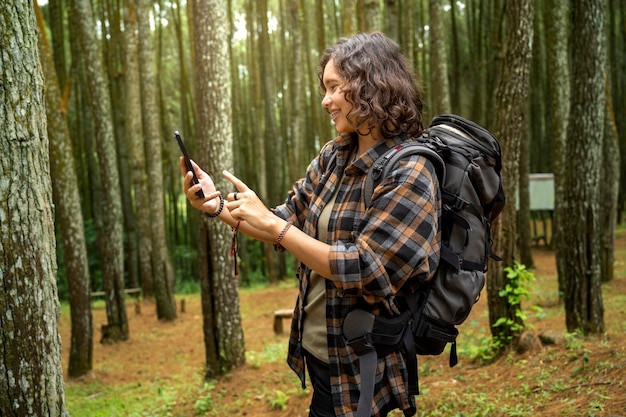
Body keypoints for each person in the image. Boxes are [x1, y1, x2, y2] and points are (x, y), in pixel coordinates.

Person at [182, 32, 441, 417]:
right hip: (323, 356)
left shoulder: (411, 170)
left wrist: (279, 231)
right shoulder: (334, 155)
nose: (325, 100)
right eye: (325, 88)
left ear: (369, 85)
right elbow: (283, 218)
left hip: (365, 367)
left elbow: (368, 268)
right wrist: (215, 206)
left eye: (335, 88)